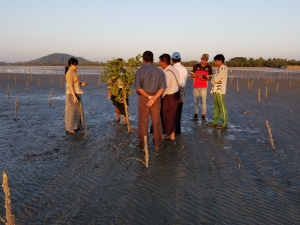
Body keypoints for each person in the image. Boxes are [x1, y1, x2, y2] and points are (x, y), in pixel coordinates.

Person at [134, 51, 166, 150]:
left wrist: (148, 97)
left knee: (143, 121)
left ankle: (143, 145)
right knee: (156, 121)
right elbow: (162, 88)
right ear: (153, 60)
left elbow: (138, 88)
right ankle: (158, 144)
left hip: (144, 98)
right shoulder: (160, 71)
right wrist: (154, 98)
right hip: (156, 98)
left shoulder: (139, 71)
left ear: (143, 60)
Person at [158, 53, 180, 140]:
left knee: (164, 116)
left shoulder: (166, 73)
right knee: (172, 116)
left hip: (168, 97)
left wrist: (160, 97)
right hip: (176, 95)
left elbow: (165, 87)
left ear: (164, 62)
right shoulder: (175, 69)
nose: (159, 63)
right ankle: (172, 135)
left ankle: (162, 135)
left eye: (160, 62)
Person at [65, 58, 87, 133]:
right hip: (72, 94)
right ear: (71, 65)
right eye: (75, 64)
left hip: (77, 93)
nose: (77, 66)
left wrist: (81, 84)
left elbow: (75, 84)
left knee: (77, 111)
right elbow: (70, 85)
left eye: (77, 64)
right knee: (72, 111)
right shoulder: (70, 72)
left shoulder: (74, 72)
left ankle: (76, 126)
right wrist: (74, 96)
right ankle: (70, 128)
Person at [207, 54, 228, 129]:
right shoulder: (217, 69)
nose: (215, 62)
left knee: (222, 107)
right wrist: (213, 80)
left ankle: (224, 123)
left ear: (220, 61)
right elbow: (213, 80)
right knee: (215, 106)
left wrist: (214, 79)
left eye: (216, 61)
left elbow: (215, 79)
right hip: (215, 90)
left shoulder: (224, 69)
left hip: (220, 90)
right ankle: (215, 121)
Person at [190, 53, 213, 121]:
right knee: (195, 102)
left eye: (206, 60)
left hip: (204, 87)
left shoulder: (209, 67)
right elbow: (191, 75)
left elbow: (210, 77)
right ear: (201, 58)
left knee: (203, 102)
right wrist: (199, 75)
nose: (204, 61)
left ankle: (203, 116)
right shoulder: (196, 66)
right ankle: (196, 115)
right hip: (196, 86)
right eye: (203, 59)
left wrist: (206, 78)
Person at [107, 58, 128, 124]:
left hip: (123, 90)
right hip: (115, 90)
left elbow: (127, 81)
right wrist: (109, 91)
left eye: (121, 63)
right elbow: (110, 82)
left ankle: (125, 118)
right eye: (118, 63)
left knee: (124, 104)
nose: (120, 65)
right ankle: (118, 117)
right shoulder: (113, 72)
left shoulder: (124, 71)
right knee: (116, 104)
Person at [171, 52, 188, 135]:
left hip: (172, 91)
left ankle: (172, 131)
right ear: (180, 59)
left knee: (171, 112)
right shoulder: (184, 69)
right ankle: (178, 130)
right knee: (178, 112)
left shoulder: (171, 69)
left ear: (172, 60)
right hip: (181, 91)